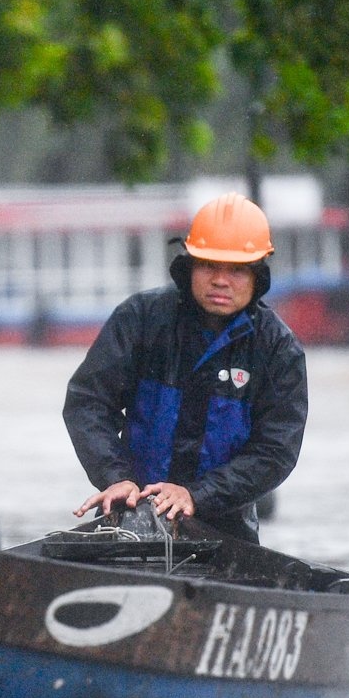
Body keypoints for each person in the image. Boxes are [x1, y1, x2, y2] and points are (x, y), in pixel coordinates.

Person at [63, 191, 307, 544]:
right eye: (209, 265)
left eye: (236, 270)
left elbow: (275, 451)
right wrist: (115, 478)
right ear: (190, 265)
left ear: (257, 275)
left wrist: (198, 495)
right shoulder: (140, 319)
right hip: (129, 517)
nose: (221, 280)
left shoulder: (279, 349)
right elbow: (88, 402)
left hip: (226, 533)